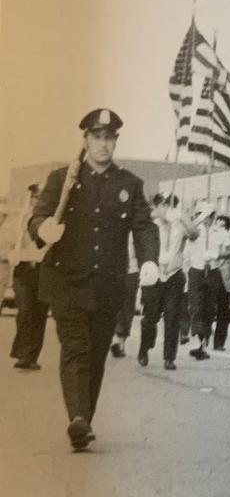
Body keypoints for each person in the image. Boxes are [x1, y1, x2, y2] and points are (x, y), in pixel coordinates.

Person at [28, 108, 159, 451]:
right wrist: (43, 228)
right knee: (76, 348)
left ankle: (83, 419)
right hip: (67, 281)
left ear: (116, 141)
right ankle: (77, 418)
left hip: (107, 285)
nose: (103, 144)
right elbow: (39, 215)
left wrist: (149, 260)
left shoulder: (128, 184)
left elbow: (144, 226)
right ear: (85, 140)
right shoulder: (63, 179)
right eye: (97, 137)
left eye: (109, 138)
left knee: (97, 354)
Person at [137, 193, 189, 370]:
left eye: (171, 205)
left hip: (174, 276)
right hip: (155, 277)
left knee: (172, 318)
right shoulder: (151, 226)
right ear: (157, 207)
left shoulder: (179, 225)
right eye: (164, 205)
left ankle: (169, 357)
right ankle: (145, 347)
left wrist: (182, 217)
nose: (168, 208)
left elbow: (195, 233)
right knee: (150, 318)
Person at [8, 184, 48, 370]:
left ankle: (31, 356)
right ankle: (23, 353)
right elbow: (9, 241)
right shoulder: (20, 219)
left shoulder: (50, 220)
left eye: (40, 198)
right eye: (34, 197)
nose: (36, 201)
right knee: (25, 311)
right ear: (30, 198)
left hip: (42, 270)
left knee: (39, 314)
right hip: (23, 269)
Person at [183, 200, 230, 362]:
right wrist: (198, 218)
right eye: (204, 215)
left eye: (210, 215)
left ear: (214, 216)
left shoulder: (221, 232)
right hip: (196, 270)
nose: (207, 219)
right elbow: (186, 234)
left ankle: (203, 342)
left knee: (210, 309)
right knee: (196, 306)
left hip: (213, 271)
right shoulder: (195, 230)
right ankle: (196, 341)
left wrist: (217, 256)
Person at [110, 234, 139, 359]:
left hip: (132, 270)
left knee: (129, 307)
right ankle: (117, 339)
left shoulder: (136, 231)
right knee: (116, 304)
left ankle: (122, 340)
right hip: (115, 270)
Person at [210, 214, 230, 351]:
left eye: (223, 226)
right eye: (218, 225)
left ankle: (219, 342)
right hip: (210, 276)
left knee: (223, 312)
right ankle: (206, 334)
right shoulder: (210, 240)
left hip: (225, 280)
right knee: (208, 308)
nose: (220, 228)